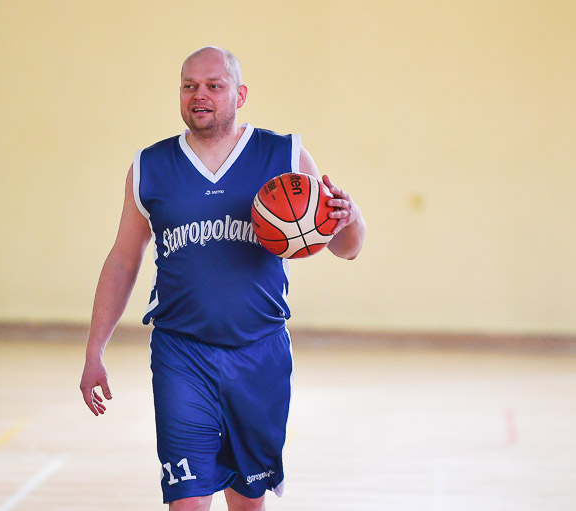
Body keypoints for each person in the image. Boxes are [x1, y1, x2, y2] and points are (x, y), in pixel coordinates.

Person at [80, 46, 366, 511]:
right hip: (181, 354)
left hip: (259, 353)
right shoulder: (150, 167)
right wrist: (95, 349)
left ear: (240, 94)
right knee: (188, 502)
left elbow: (346, 247)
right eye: (189, 86)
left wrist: (349, 217)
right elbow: (122, 262)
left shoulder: (284, 154)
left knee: (247, 502)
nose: (200, 95)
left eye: (214, 86)